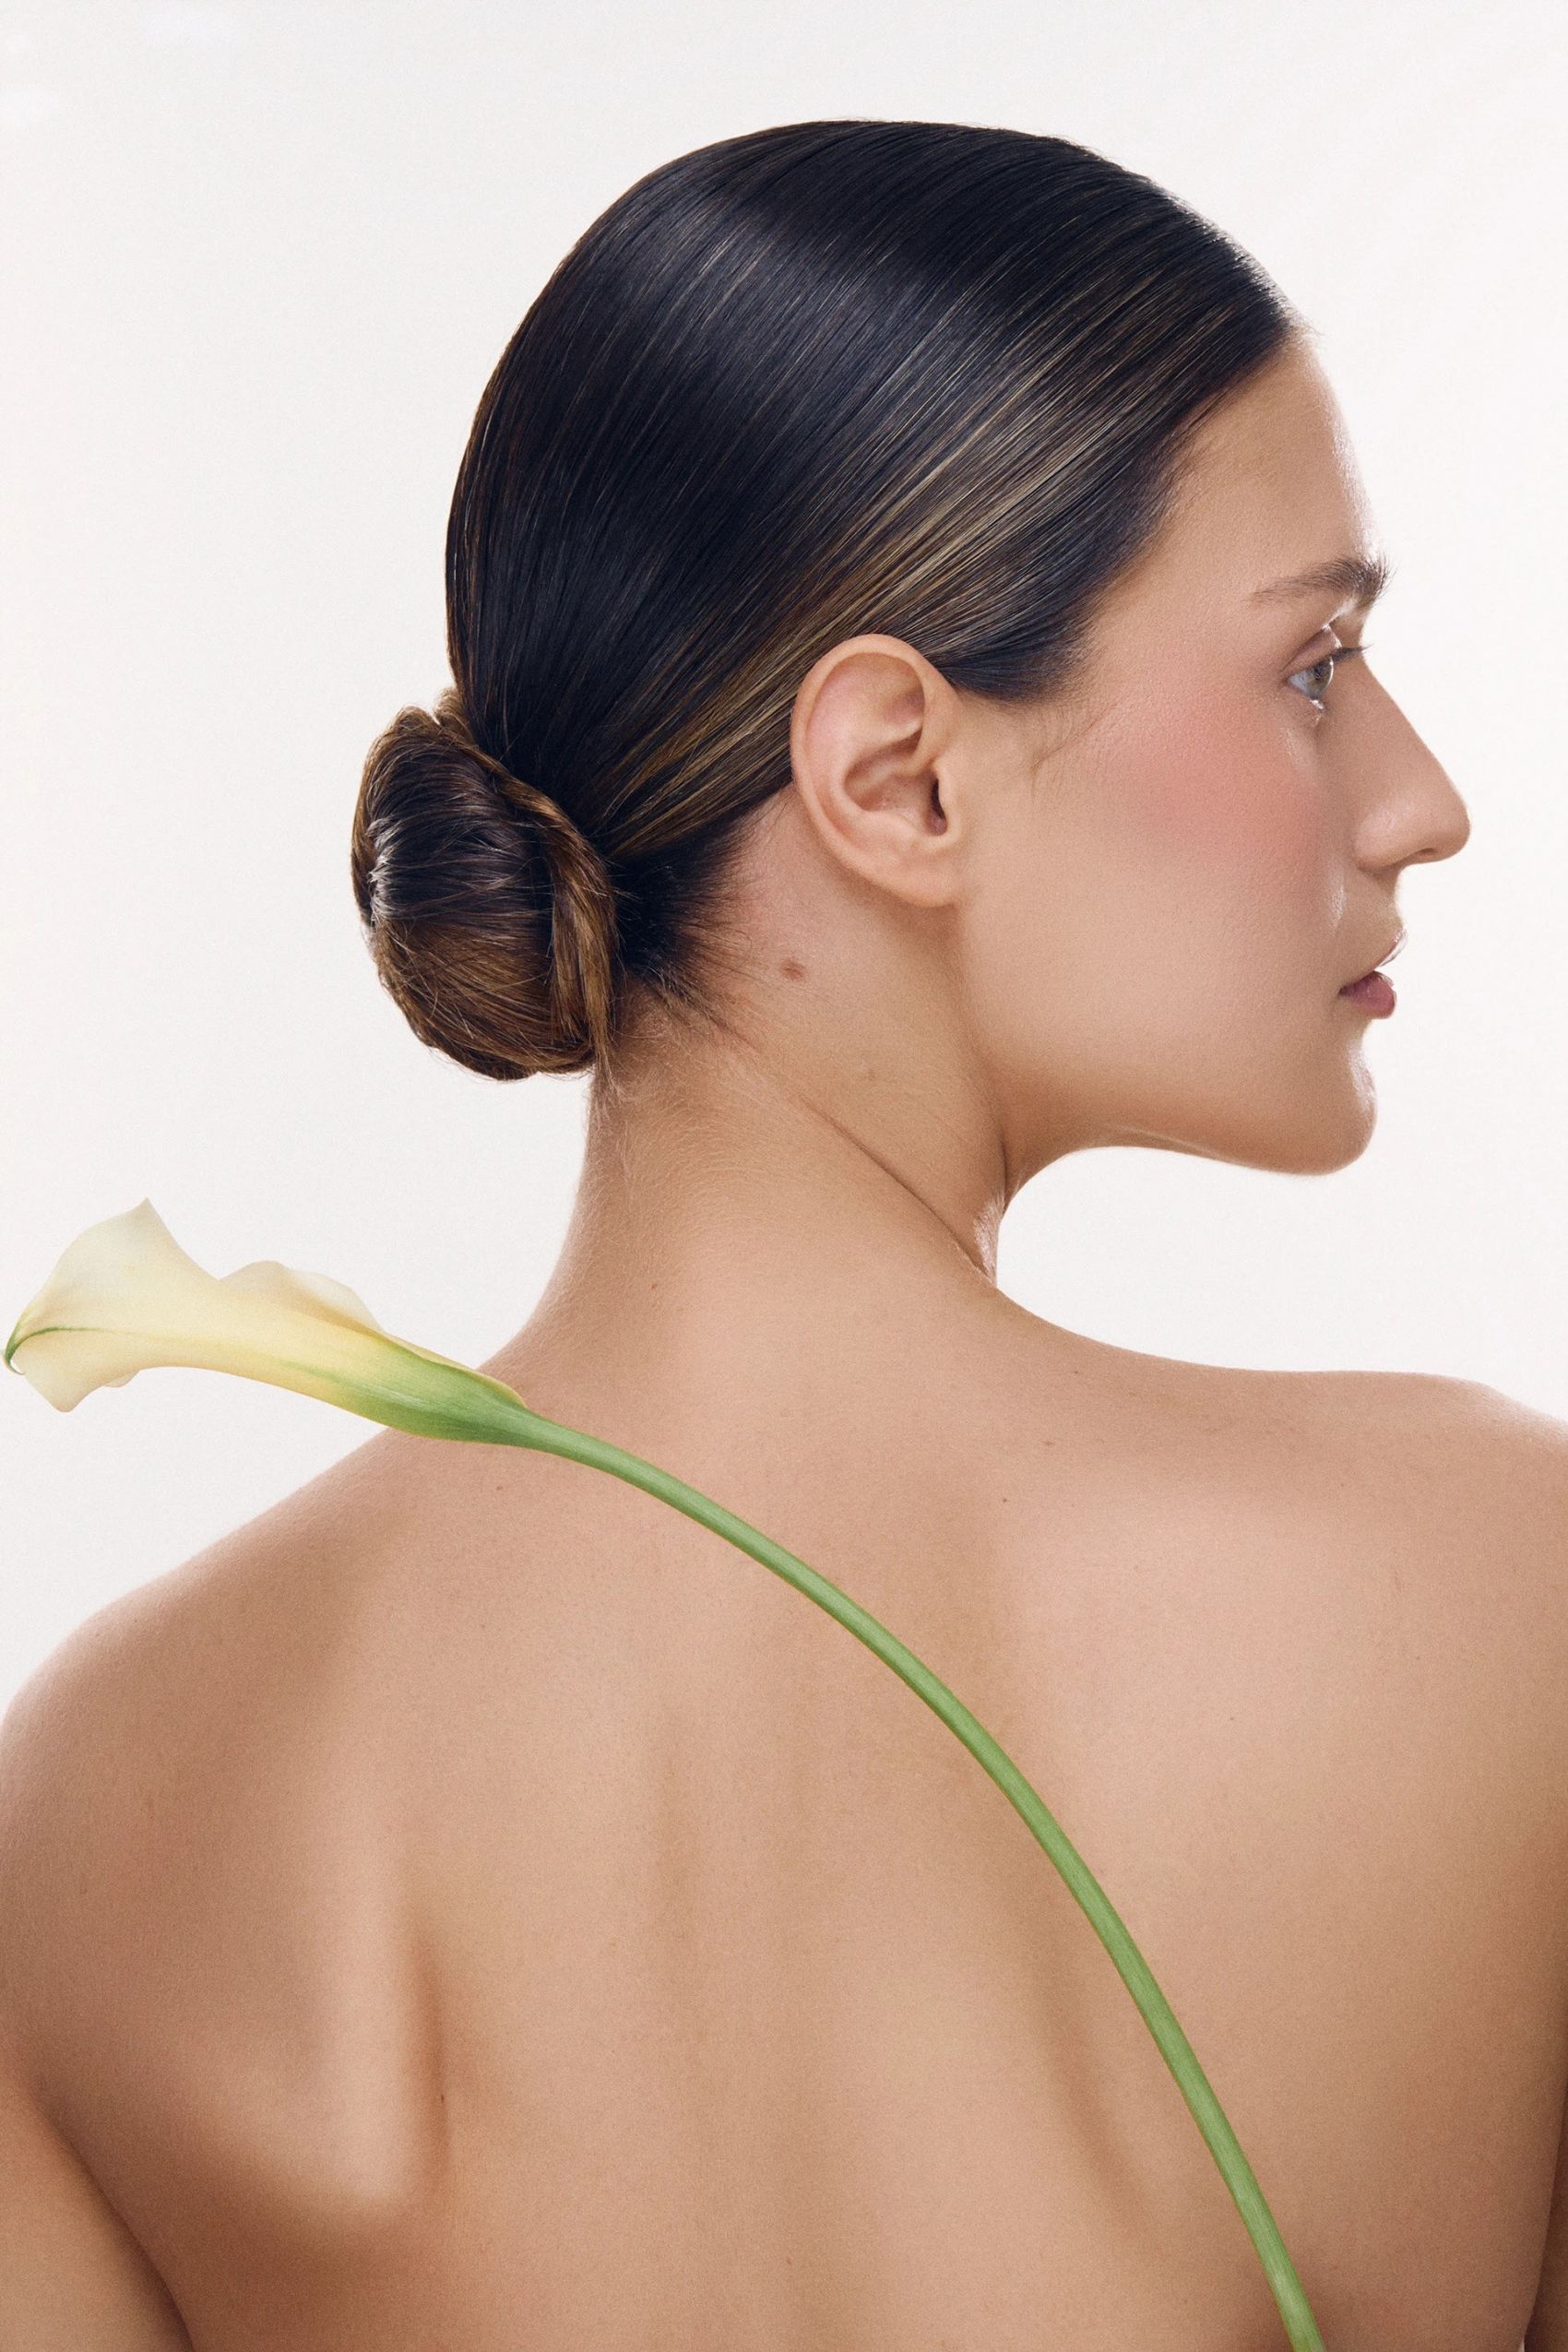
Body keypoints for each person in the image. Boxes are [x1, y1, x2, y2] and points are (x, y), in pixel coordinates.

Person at [2, 116, 1565, 2352]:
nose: (1419, 800)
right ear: (896, 775)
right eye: (1310, 666)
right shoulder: (1497, 1600)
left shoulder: (104, 1800)